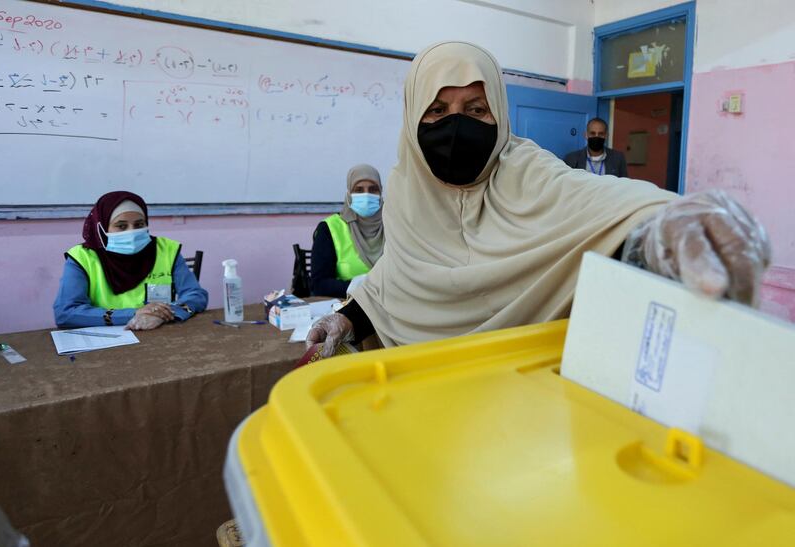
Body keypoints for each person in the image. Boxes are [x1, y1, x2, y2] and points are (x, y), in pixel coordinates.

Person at [307, 42, 770, 356]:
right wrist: (347, 319)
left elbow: (603, 203)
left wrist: (669, 221)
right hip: (426, 391)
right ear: (413, 119)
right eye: (437, 110)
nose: (456, 126)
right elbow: (396, 281)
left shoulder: (528, 173)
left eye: (475, 110)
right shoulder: (406, 193)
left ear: (500, 115)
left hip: (523, 397)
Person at [54, 191, 208, 330]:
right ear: (102, 229)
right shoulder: (82, 258)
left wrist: (161, 314)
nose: (132, 231)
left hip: (157, 333)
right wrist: (134, 314)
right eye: (121, 226)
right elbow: (66, 313)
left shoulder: (166, 249)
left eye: (139, 224)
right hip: (106, 345)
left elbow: (195, 295)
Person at [309, 164, 385, 298]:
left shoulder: (394, 224)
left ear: (380, 193)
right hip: (348, 306)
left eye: (373, 189)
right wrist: (359, 287)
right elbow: (319, 285)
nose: (366, 195)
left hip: (393, 306)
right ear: (349, 194)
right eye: (359, 190)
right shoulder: (330, 228)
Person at [563, 117, 628, 177]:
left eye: (601, 134)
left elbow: (624, 184)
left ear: (606, 136)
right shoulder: (571, 158)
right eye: (592, 133)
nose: (596, 136)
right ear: (586, 135)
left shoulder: (618, 158)